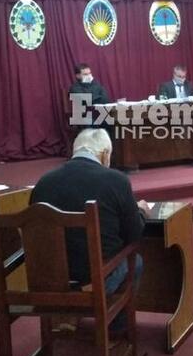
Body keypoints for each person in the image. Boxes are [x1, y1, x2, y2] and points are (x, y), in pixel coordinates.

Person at [30, 129, 151, 331]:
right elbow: (134, 236)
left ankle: (69, 314)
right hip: (95, 281)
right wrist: (141, 212)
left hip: (49, 281)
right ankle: (115, 333)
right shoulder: (116, 180)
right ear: (104, 154)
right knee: (134, 261)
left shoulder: (43, 182)